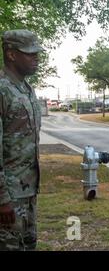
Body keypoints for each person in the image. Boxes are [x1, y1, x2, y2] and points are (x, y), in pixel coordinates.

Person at [0, 29, 44, 250]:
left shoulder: (26, 89)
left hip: (27, 192)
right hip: (8, 197)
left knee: (28, 245)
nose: (36, 58)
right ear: (11, 54)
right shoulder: (2, 90)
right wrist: (2, 198)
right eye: (30, 53)